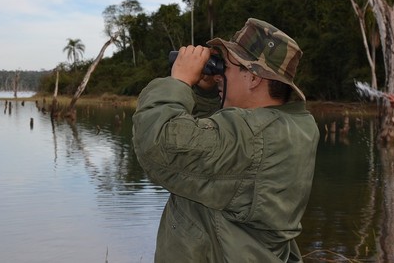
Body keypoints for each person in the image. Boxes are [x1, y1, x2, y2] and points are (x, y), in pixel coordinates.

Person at [132, 18, 320, 262]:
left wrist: (179, 81)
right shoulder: (292, 127)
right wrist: (206, 92)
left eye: (226, 67)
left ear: (253, 77)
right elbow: (211, 140)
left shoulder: (251, 136)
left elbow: (156, 142)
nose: (218, 74)